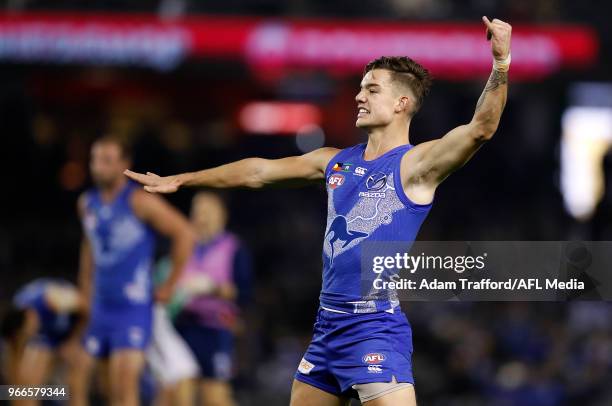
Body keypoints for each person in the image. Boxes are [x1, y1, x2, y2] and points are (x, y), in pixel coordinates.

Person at [125, 16, 511, 406]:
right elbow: (258, 171)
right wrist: (185, 179)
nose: (359, 97)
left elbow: (481, 128)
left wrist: (500, 64)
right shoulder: (335, 162)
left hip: (374, 327)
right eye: (360, 88)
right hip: (327, 328)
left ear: (401, 103)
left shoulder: (416, 165)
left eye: (372, 89)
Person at [75, 136, 194, 406]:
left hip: (132, 309)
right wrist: (85, 291)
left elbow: (184, 233)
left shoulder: (139, 201)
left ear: (124, 165)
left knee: (123, 389)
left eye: (107, 161)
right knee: (87, 385)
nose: (98, 167)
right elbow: (89, 246)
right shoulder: (87, 204)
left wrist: (170, 284)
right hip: (101, 306)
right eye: (95, 160)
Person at [155, 191, 252, 406]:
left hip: (214, 329)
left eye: (208, 211)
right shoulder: (182, 244)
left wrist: (213, 289)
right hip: (180, 325)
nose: (201, 217)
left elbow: (244, 293)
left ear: (222, 215)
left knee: (214, 397)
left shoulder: (233, 248)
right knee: (175, 392)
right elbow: (162, 278)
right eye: (197, 211)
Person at [0, 278, 84, 406]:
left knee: (75, 386)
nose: (29, 336)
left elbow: (85, 307)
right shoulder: (17, 322)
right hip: (51, 337)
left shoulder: (51, 299)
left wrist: (73, 341)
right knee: (26, 388)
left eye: (27, 334)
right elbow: (14, 371)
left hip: (80, 332)